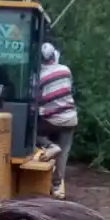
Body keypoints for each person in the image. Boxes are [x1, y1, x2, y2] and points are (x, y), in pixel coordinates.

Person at [37, 42, 77, 200]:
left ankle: (49, 145)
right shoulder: (65, 70)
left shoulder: (40, 76)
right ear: (54, 56)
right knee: (64, 152)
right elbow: (69, 88)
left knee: (31, 132)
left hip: (51, 120)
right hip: (70, 117)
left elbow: (39, 98)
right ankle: (57, 186)